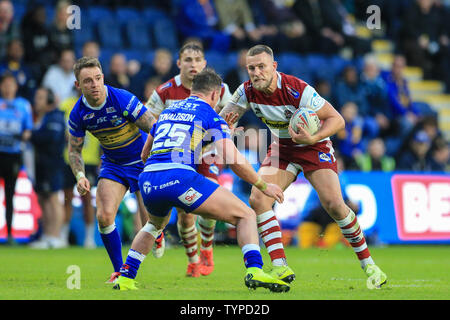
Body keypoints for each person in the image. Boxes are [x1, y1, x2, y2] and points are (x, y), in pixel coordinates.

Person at [219, 45, 387, 289]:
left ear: (274, 67)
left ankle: (369, 265)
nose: (256, 73)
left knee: (335, 206)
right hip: (282, 148)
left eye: (261, 67)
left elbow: (337, 120)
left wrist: (312, 138)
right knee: (259, 198)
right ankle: (280, 266)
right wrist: (226, 130)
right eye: (251, 68)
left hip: (313, 146)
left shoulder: (297, 89)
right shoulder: (245, 92)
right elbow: (221, 122)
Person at [113, 67, 289, 293]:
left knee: (154, 225)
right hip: (178, 177)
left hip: (148, 179)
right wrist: (263, 185)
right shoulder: (210, 114)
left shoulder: (169, 110)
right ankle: (255, 270)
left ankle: (126, 277)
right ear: (215, 95)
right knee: (246, 215)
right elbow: (233, 159)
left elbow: (144, 153)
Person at [145, 42, 232, 277]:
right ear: (179, 63)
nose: (193, 64)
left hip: (207, 152)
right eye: (188, 60)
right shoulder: (164, 91)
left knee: (210, 197)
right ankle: (193, 259)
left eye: (197, 60)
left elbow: (232, 118)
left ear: (204, 63)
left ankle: (206, 249)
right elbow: (148, 119)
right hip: (176, 155)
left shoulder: (220, 89)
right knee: (185, 215)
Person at [67, 57, 156, 283]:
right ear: (78, 85)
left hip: (142, 161)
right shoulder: (78, 113)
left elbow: (154, 127)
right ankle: (120, 271)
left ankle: (158, 231)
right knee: (104, 216)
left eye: (98, 78)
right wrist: (80, 176)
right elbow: (74, 151)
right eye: (88, 81)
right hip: (114, 165)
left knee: (151, 224)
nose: (94, 85)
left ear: (103, 78)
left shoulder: (122, 99)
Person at [60, 86, 100, 248]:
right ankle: (63, 236)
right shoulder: (66, 105)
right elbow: (65, 131)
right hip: (69, 158)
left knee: (87, 199)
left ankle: (89, 238)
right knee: (67, 198)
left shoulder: (97, 105)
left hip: (89, 159)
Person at [29, 87, 66, 249]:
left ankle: (56, 236)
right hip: (41, 164)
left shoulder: (56, 117)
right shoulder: (41, 118)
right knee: (43, 199)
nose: (36, 101)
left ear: (50, 101)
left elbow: (51, 137)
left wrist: (31, 135)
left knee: (53, 198)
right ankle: (47, 235)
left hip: (53, 164)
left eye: (41, 97)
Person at [0, 72, 33, 245]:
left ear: (15, 86)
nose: (8, 87)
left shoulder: (23, 105)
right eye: (5, 84)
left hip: (13, 155)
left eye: (11, 84)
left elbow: (28, 129)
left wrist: (22, 137)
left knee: (10, 194)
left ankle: (11, 233)